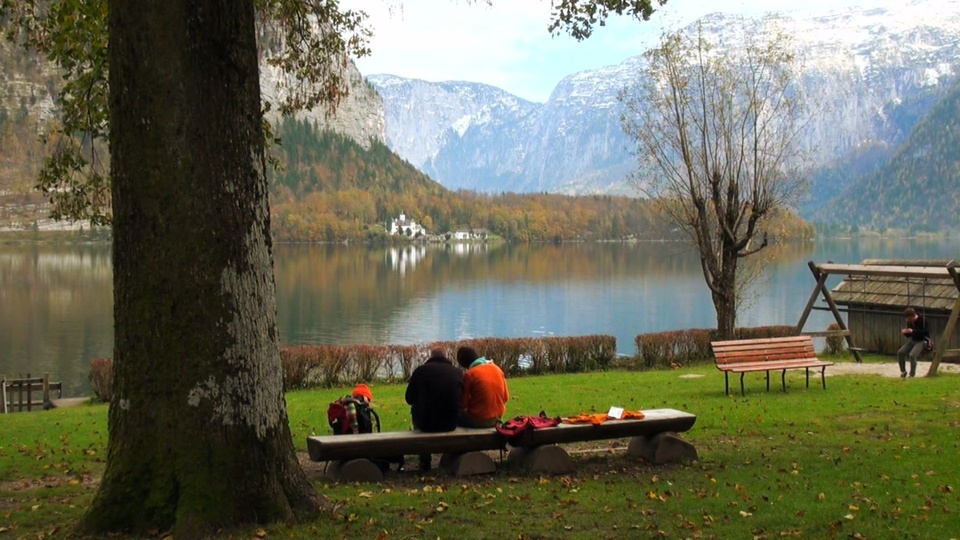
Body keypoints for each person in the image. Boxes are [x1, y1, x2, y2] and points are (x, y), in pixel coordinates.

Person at [405, 348, 463, 470]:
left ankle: (425, 460)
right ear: (446, 357)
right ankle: (452, 455)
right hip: (451, 423)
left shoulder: (420, 371)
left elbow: (409, 399)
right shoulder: (457, 372)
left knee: (415, 410)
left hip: (425, 424)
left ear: (430, 358)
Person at [456, 346, 509, 428]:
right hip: (498, 419)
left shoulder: (469, 374)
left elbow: (464, 404)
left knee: (454, 414)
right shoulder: (497, 369)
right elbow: (506, 397)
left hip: (478, 420)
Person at [898, 307, 929, 378]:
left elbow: (926, 332)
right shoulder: (910, 322)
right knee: (900, 352)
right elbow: (909, 335)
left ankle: (912, 374)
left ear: (913, 316)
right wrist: (906, 332)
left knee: (912, 355)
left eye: (908, 318)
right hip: (912, 340)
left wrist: (913, 331)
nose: (908, 320)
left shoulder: (923, 320)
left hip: (922, 340)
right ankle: (903, 371)